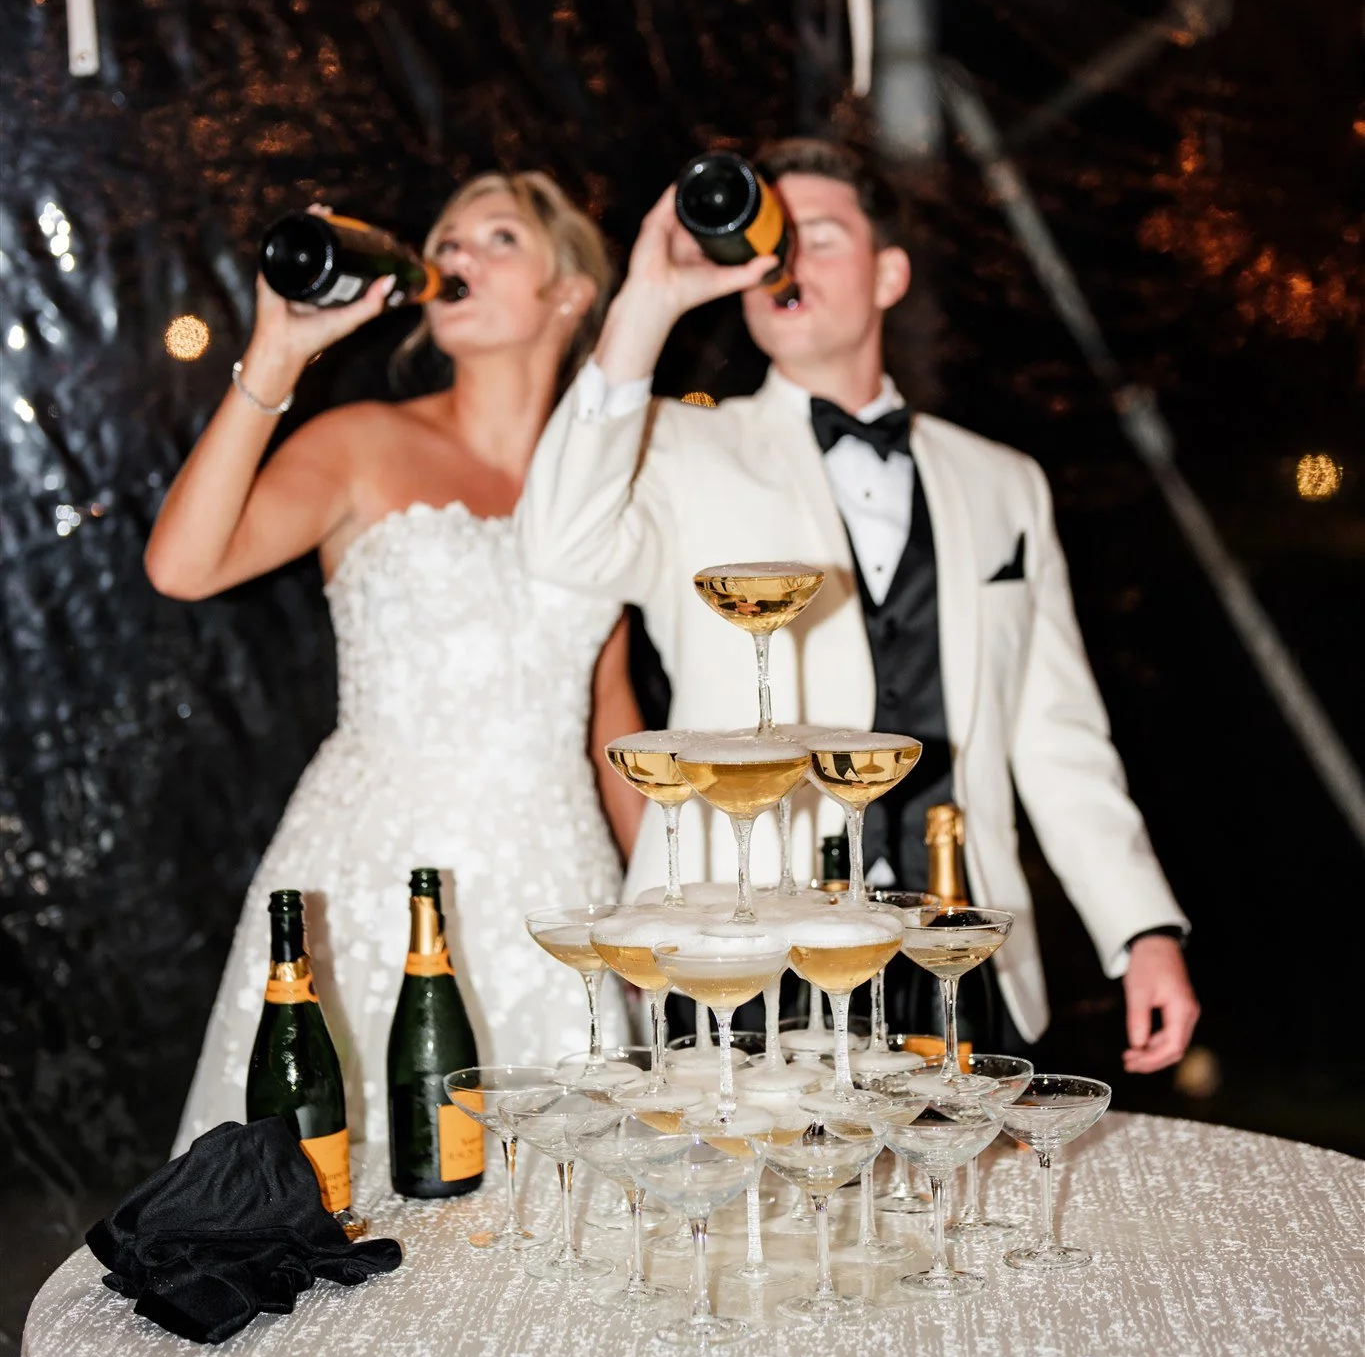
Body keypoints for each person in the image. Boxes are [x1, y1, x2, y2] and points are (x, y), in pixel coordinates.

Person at [518, 138, 1199, 1072]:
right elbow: (556, 543)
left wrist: (1140, 928)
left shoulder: (1005, 483)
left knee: (965, 1206)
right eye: (773, 241)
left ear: (889, 275)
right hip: (748, 944)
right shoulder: (675, 443)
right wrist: (646, 302)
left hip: (958, 946)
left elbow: (1057, 733)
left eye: (821, 237)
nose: (787, 261)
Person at [148, 174, 644, 1147]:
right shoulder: (362, 443)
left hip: (559, 880)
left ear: (571, 292)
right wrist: (279, 348)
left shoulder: (598, 487)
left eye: (498, 237)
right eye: (447, 240)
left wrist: (654, 916)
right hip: (375, 870)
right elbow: (182, 565)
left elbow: (610, 717)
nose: (458, 255)